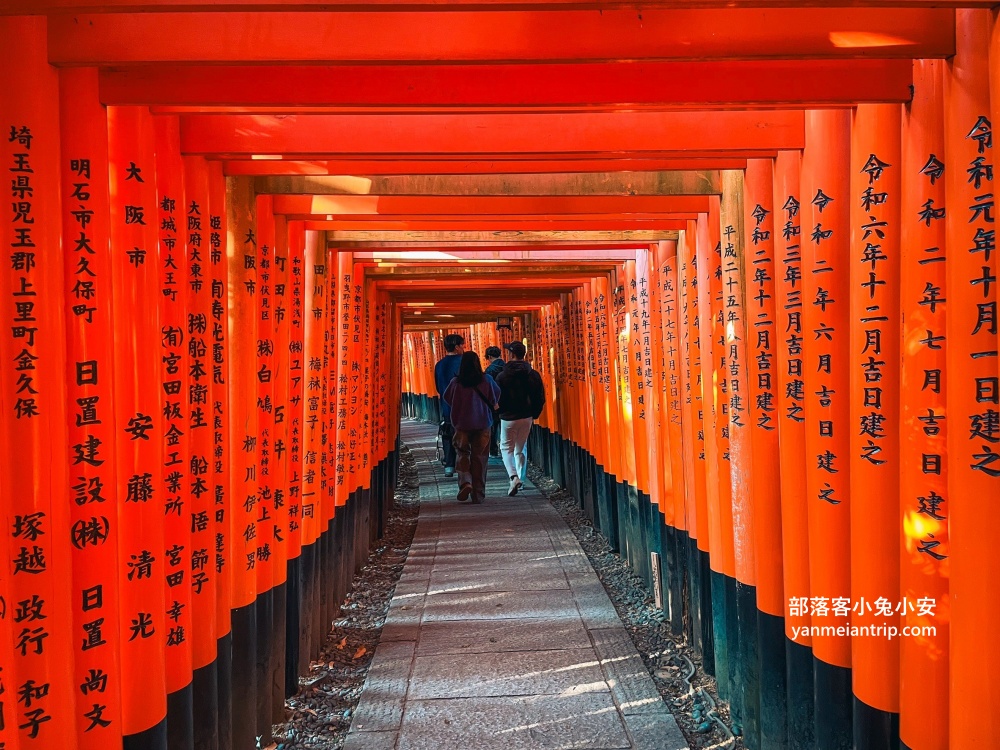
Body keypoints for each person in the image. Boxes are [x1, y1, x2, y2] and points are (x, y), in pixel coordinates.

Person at [443, 351, 500, 504]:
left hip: (461, 425)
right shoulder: (486, 380)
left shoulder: (456, 382)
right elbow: (496, 396)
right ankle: (478, 494)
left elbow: (447, 398)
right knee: (480, 458)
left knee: (462, 454)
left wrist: (460, 407)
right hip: (482, 424)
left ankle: (465, 482)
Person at [495, 341, 546, 496]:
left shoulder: (502, 376)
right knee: (520, 448)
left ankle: (513, 477)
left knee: (506, 449)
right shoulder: (533, 374)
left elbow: (497, 397)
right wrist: (534, 413)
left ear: (510, 354)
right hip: (527, 416)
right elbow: (540, 396)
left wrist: (500, 412)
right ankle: (521, 479)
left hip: (508, 417)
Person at [434, 333, 465, 477]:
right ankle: (464, 465)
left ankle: (449, 465)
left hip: (446, 406)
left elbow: (438, 388)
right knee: (465, 434)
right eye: (462, 345)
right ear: (457, 346)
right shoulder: (465, 362)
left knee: (448, 433)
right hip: (465, 406)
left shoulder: (439, 365)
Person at [483, 346, 505, 456]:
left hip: (494, 402)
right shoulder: (506, 367)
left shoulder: (489, 370)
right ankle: (505, 449)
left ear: (490, 356)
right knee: (505, 426)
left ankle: (493, 450)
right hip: (506, 401)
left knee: (493, 427)